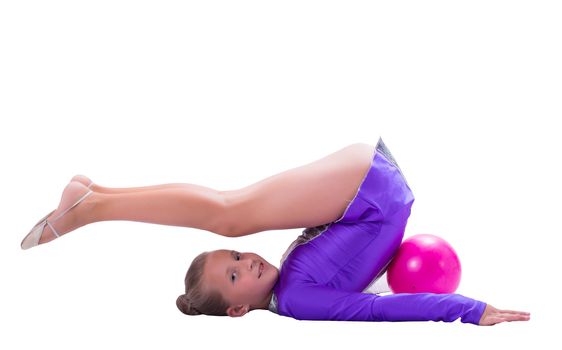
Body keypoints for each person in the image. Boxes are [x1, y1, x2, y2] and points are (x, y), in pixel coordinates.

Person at [21, 138, 530, 326]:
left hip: (370, 189)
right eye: (237, 274)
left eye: (235, 258)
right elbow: (382, 310)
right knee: (228, 210)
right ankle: (96, 197)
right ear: (239, 309)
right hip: (372, 189)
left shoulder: (289, 283)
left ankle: (95, 204)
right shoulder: (300, 300)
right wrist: (468, 309)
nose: (248, 261)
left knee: (230, 209)